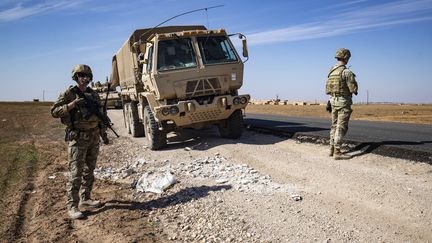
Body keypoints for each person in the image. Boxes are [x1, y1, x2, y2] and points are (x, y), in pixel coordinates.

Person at [51, 64, 108, 219]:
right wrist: (73, 104)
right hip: (78, 139)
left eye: (87, 76)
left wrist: (103, 133)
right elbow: (54, 111)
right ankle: (72, 206)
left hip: (93, 137)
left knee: (89, 171)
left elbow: (101, 115)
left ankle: (86, 198)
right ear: (76, 77)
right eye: (82, 75)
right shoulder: (69, 93)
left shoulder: (93, 95)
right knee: (76, 174)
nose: (85, 78)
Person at [326, 48, 358, 160]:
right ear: (346, 57)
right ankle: (337, 152)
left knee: (334, 126)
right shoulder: (346, 72)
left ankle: (331, 149)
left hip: (332, 101)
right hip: (343, 102)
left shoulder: (331, 71)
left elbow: (329, 88)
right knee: (341, 127)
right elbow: (353, 89)